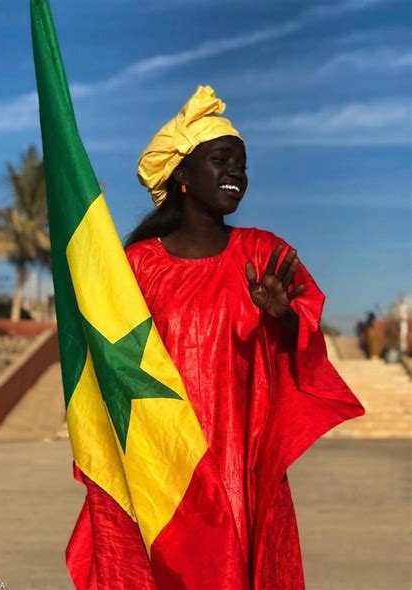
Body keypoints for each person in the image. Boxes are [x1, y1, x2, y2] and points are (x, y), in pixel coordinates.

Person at [69, 86, 364, 589]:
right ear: (181, 176)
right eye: (221, 159)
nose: (236, 173)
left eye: (242, 164)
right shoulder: (137, 268)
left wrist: (284, 318)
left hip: (237, 466)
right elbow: (108, 365)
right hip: (161, 467)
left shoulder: (262, 252)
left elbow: (306, 336)